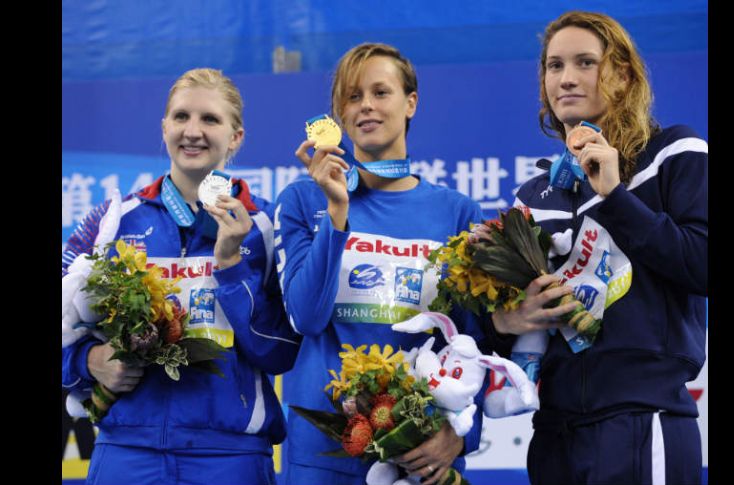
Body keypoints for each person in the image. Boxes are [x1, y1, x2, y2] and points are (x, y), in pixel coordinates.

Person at [480, 11, 708, 485]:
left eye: (585, 63)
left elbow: (700, 264)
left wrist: (615, 196)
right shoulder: (533, 196)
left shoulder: (673, 153)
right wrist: (504, 322)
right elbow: (505, 331)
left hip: (644, 418)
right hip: (554, 430)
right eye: (554, 65)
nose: (566, 78)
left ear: (622, 76)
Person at [61, 68, 300, 485]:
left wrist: (230, 265)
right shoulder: (114, 222)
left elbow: (279, 353)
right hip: (127, 452)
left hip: (230, 457)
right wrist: (89, 361)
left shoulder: (263, 227)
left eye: (210, 119)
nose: (193, 131)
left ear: (236, 136)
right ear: (164, 127)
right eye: (181, 117)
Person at [274, 43, 487, 485]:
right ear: (338, 115)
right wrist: (336, 214)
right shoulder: (302, 200)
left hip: (420, 454)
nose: (366, 106)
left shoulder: (457, 212)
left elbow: (473, 344)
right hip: (323, 456)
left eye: (380, 92)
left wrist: (460, 434)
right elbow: (306, 318)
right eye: (353, 97)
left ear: (411, 102)